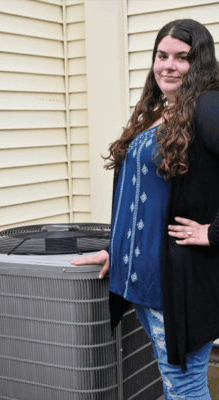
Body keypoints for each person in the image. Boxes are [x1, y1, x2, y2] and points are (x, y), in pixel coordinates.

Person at [71, 19, 219, 399]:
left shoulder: (208, 107)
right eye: (162, 55)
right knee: (175, 387)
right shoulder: (161, 112)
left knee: (184, 388)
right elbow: (139, 194)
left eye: (182, 58)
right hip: (143, 280)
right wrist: (116, 249)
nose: (168, 65)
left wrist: (213, 231)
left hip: (175, 283)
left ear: (200, 62)